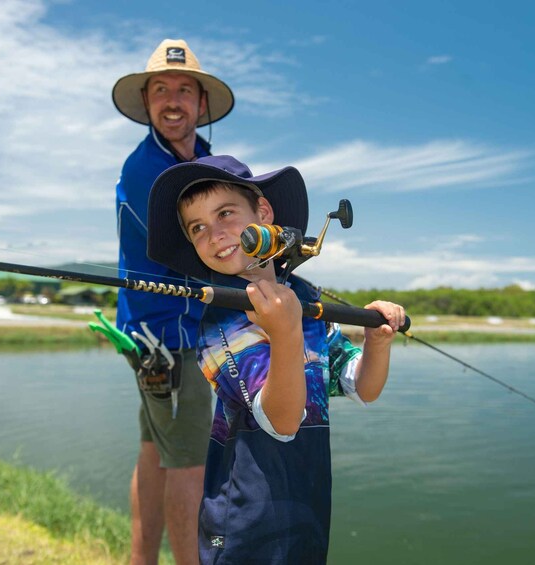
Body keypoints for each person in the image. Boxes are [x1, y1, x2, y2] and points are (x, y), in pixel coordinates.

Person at [147, 155, 406, 563]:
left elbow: (362, 387)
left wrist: (377, 342)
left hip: (307, 509)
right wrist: (285, 332)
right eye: (198, 228)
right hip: (242, 524)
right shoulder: (219, 321)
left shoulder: (303, 299)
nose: (214, 234)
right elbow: (282, 421)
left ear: (263, 212)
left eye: (225, 213)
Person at [111, 39, 234, 565]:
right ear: (147, 101)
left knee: (156, 454)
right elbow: (202, 252)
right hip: (168, 341)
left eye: (185, 89)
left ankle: (141, 560)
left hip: (165, 336)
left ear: (202, 103)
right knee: (190, 465)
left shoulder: (210, 162)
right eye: (161, 89)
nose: (173, 100)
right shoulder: (145, 171)